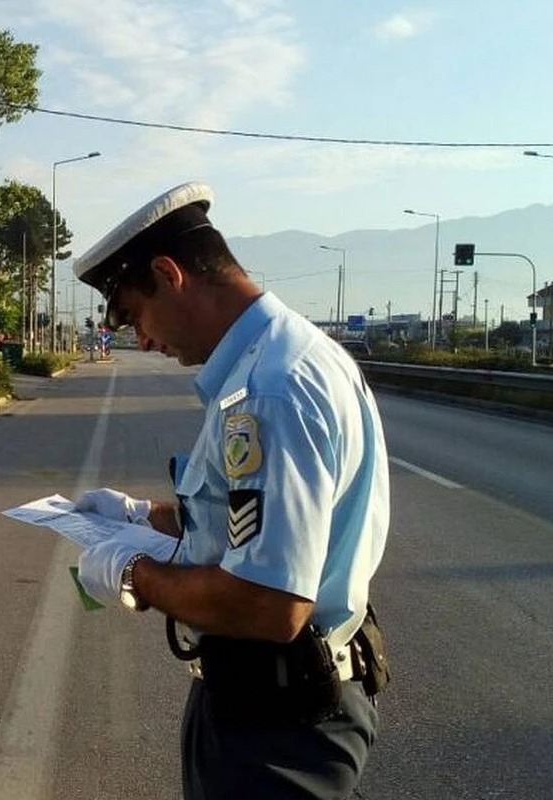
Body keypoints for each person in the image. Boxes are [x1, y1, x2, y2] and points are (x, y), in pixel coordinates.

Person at [71, 181, 391, 800]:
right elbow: (242, 525)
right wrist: (144, 516)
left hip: (280, 725)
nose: (142, 339)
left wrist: (131, 572)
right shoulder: (269, 363)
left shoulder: (273, 386)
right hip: (258, 705)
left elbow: (271, 605)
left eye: (134, 315)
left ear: (170, 274)